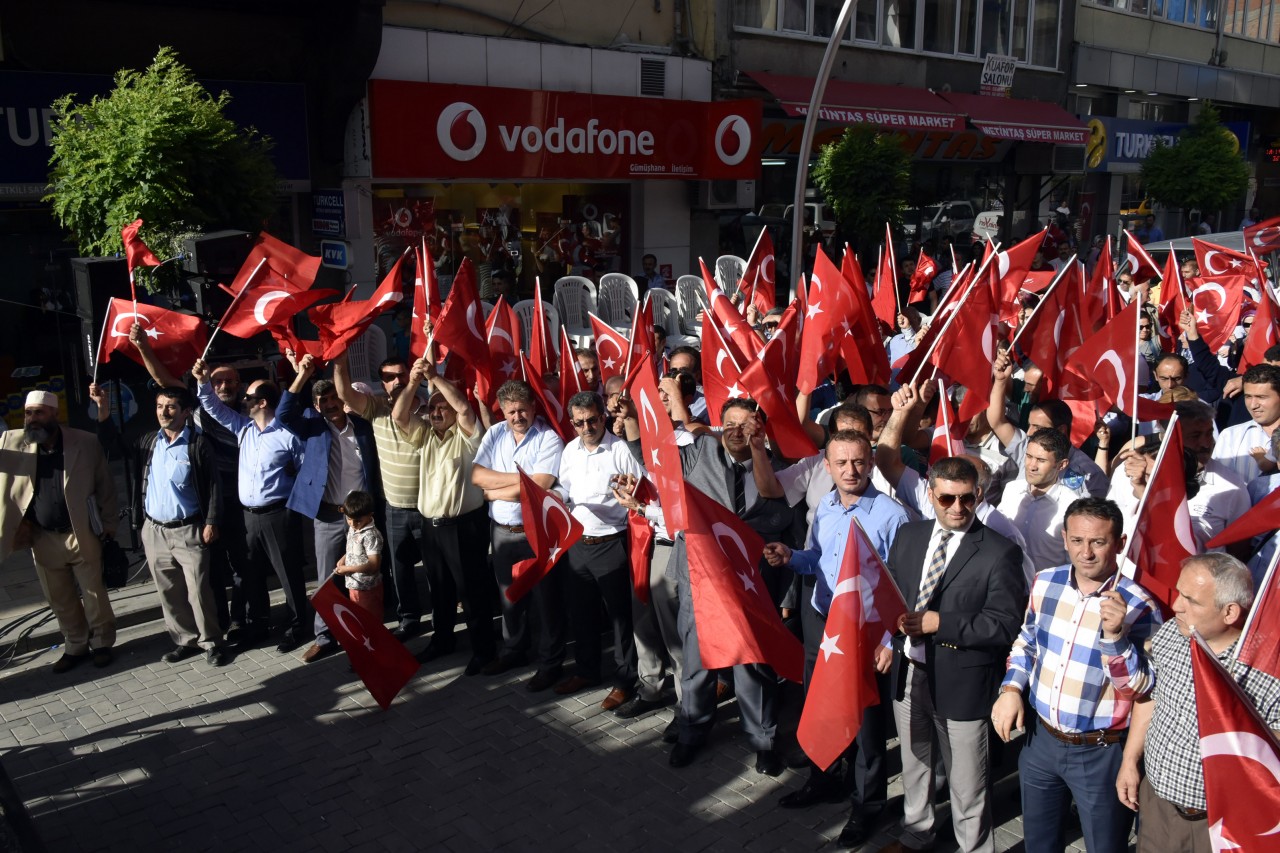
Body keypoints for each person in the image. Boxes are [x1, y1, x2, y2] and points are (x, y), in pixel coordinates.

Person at [624, 398, 790, 775]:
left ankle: (763, 739)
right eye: (729, 424)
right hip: (699, 579)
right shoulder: (700, 452)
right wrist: (634, 418)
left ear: (759, 428)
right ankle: (692, 730)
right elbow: (651, 457)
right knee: (696, 663)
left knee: (753, 664)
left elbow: (782, 519)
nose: (736, 432)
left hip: (749, 586)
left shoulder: (776, 469)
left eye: (745, 425)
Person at [764, 430, 910, 848]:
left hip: (865, 633)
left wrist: (887, 639)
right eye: (841, 463)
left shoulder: (892, 515)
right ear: (826, 466)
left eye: (859, 462)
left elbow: (900, 586)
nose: (851, 471)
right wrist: (792, 557)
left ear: (870, 462)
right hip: (825, 627)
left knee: (865, 725)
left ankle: (868, 805)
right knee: (824, 707)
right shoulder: (825, 506)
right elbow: (819, 559)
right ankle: (824, 780)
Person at [991, 498, 1161, 853]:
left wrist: (1115, 638)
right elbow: (1028, 641)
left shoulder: (1140, 604)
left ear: (1118, 542)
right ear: (1065, 538)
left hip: (1100, 752)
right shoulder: (1045, 582)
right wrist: (1010, 688)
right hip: (1041, 742)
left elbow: (1139, 690)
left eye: (1098, 542)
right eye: (1078, 541)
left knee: (1104, 845)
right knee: (1038, 843)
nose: (1086, 552)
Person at [880, 455, 1027, 853]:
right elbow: (891, 593)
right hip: (910, 674)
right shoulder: (909, 536)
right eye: (947, 499)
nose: (957, 509)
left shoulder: (999, 552)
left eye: (966, 499)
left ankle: (975, 848)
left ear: (978, 494)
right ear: (932, 494)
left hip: (963, 683)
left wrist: (938, 624)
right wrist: (885, 638)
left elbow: (1003, 625)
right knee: (915, 765)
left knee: (967, 783)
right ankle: (915, 833)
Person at [1116, 553, 1280, 851]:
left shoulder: (1267, 675)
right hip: (1156, 804)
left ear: (1230, 612)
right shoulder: (1172, 634)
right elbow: (1151, 697)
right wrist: (1130, 758)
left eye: (1191, 600)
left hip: (1218, 826)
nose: (1177, 605)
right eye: (1180, 593)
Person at [90, 383, 231, 667]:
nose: (163, 412)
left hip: (189, 530)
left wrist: (212, 521)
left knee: (199, 591)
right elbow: (113, 446)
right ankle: (185, 640)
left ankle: (212, 642)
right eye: (159, 406)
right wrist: (103, 411)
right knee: (169, 591)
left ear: (185, 412)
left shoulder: (197, 444)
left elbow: (214, 486)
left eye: (170, 407)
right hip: (155, 531)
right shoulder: (148, 442)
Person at [194, 360, 311, 654]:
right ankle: (258, 624)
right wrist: (201, 380)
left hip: (278, 514)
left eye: (248, 398)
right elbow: (211, 406)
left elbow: (306, 470)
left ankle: (299, 625)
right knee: (252, 573)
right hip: (248, 516)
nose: (242, 401)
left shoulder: (287, 434)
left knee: (288, 572)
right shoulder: (243, 427)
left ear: (262, 403)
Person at [1, 390, 118, 673]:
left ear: (55, 414)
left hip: (81, 531)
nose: (32, 420)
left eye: (39, 413)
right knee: (59, 597)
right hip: (41, 536)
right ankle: (75, 644)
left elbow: (105, 486)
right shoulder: (11, 441)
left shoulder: (84, 442)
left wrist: (110, 525)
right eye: (29, 414)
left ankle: (102, 643)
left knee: (94, 594)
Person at [393, 357, 496, 672]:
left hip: (464, 527)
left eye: (442, 408)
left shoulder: (469, 438)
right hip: (432, 527)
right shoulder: (424, 435)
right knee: (439, 588)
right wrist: (414, 381)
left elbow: (465, 409)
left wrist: (434, 378)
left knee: (472, 590)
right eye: (432, 409)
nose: (436, 412)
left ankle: (484, 649)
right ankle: (443, 640)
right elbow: (398, 415)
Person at [276, 354, 380, 663]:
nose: (331, 403)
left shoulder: (363, 426)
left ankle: (365, 635)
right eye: (323, 399)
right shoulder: (311, 426)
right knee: (327, 579)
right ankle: (324, 636)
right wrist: (302, 375)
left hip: (362, 519)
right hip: (328, 515)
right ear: (317, 405)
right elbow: (283, 414)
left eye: (334, 396)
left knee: (364, 580)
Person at [472, 380, 566, 691]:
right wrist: (520, 482)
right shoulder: (495, 433)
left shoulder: (549, 438)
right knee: (509, 597)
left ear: (534, 407)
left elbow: (538, 486)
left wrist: (495, 491)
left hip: (535, 534)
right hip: (501, 532)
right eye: (511, 411)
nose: (517, 416)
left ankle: (550, 662)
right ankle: (514, 652)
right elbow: (477, 476)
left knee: (546, 600)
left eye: (522, 409)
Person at [553, 391, 645, 709]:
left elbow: (641, 484)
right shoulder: (569, 451)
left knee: (620, 618)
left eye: (592, 419)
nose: (587, 427)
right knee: (582, 614)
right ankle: (587, 671)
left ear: (602, 417)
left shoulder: (619, 449)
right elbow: (564, 488)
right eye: (579, 423)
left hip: (612, 542)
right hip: (578, 544)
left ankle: (625, 681)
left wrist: (631, 487)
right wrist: (552, 497)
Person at [333, 353, 429, 640]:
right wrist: (340, 359)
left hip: (429, 506)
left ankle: (444, 616)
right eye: (389, 377)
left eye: (401, 374)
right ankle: (409, 619)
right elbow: (343, 393)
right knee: (400, 571)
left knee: (437, 570)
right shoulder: (375, 408)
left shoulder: (431, 407)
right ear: (382, 383)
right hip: (394, 508)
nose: (397, 381)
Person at [1212, 363, 1280, 482]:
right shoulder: (1230, 436)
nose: (1253, 405)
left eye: (1261, 397)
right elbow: (1219, 485)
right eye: (1248, 397)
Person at [335, 490, 384, 619]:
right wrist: (344, 558)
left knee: (369, 620)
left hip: (367, 588)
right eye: (349, 519)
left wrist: (348, 569)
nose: (352, 524)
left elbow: (374, 565)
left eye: (357, 521)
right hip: (354, 584)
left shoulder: (370, 535)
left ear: (370, 515)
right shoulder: (354, 528)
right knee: (359, 618)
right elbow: (354, 549)